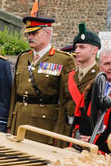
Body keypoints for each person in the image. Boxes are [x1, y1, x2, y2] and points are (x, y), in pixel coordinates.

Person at [8, 15, 75, 144]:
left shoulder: (63, 60)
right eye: (28, 34)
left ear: (48, 33)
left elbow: (67, 99)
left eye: (34, 33)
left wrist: (61, 131)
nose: (30, 37)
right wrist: (10, 122)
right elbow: (14, 93)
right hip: (20, 120)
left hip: (45, 125)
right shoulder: (23, 57)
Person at [79, 46, 111, 150]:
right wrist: (82, 136)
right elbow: (81, 114)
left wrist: (96, 140)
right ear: (99, 67)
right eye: (107, 63)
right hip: (88, 145)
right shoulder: (92, 87)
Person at [66, 23, 101, 138]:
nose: (77, 51)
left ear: (94, 50)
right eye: (76, 47)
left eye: (82, 47)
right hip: (66, 130)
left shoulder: (100, 76)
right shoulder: (70, 75)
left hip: (85, 133)